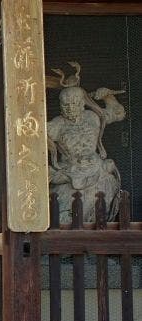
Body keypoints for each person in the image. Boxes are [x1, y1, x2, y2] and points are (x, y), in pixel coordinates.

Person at [47, 66, 125, 223]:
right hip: (70, 173)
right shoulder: (57, 124)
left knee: (100, 204)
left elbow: (118, 113)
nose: (70, 109)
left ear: (83, 102)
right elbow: (32, 132)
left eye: (75, 104)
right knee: (63, 214)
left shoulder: (93, 117)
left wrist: (108, 97)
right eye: (65, 105)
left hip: (97, 170)